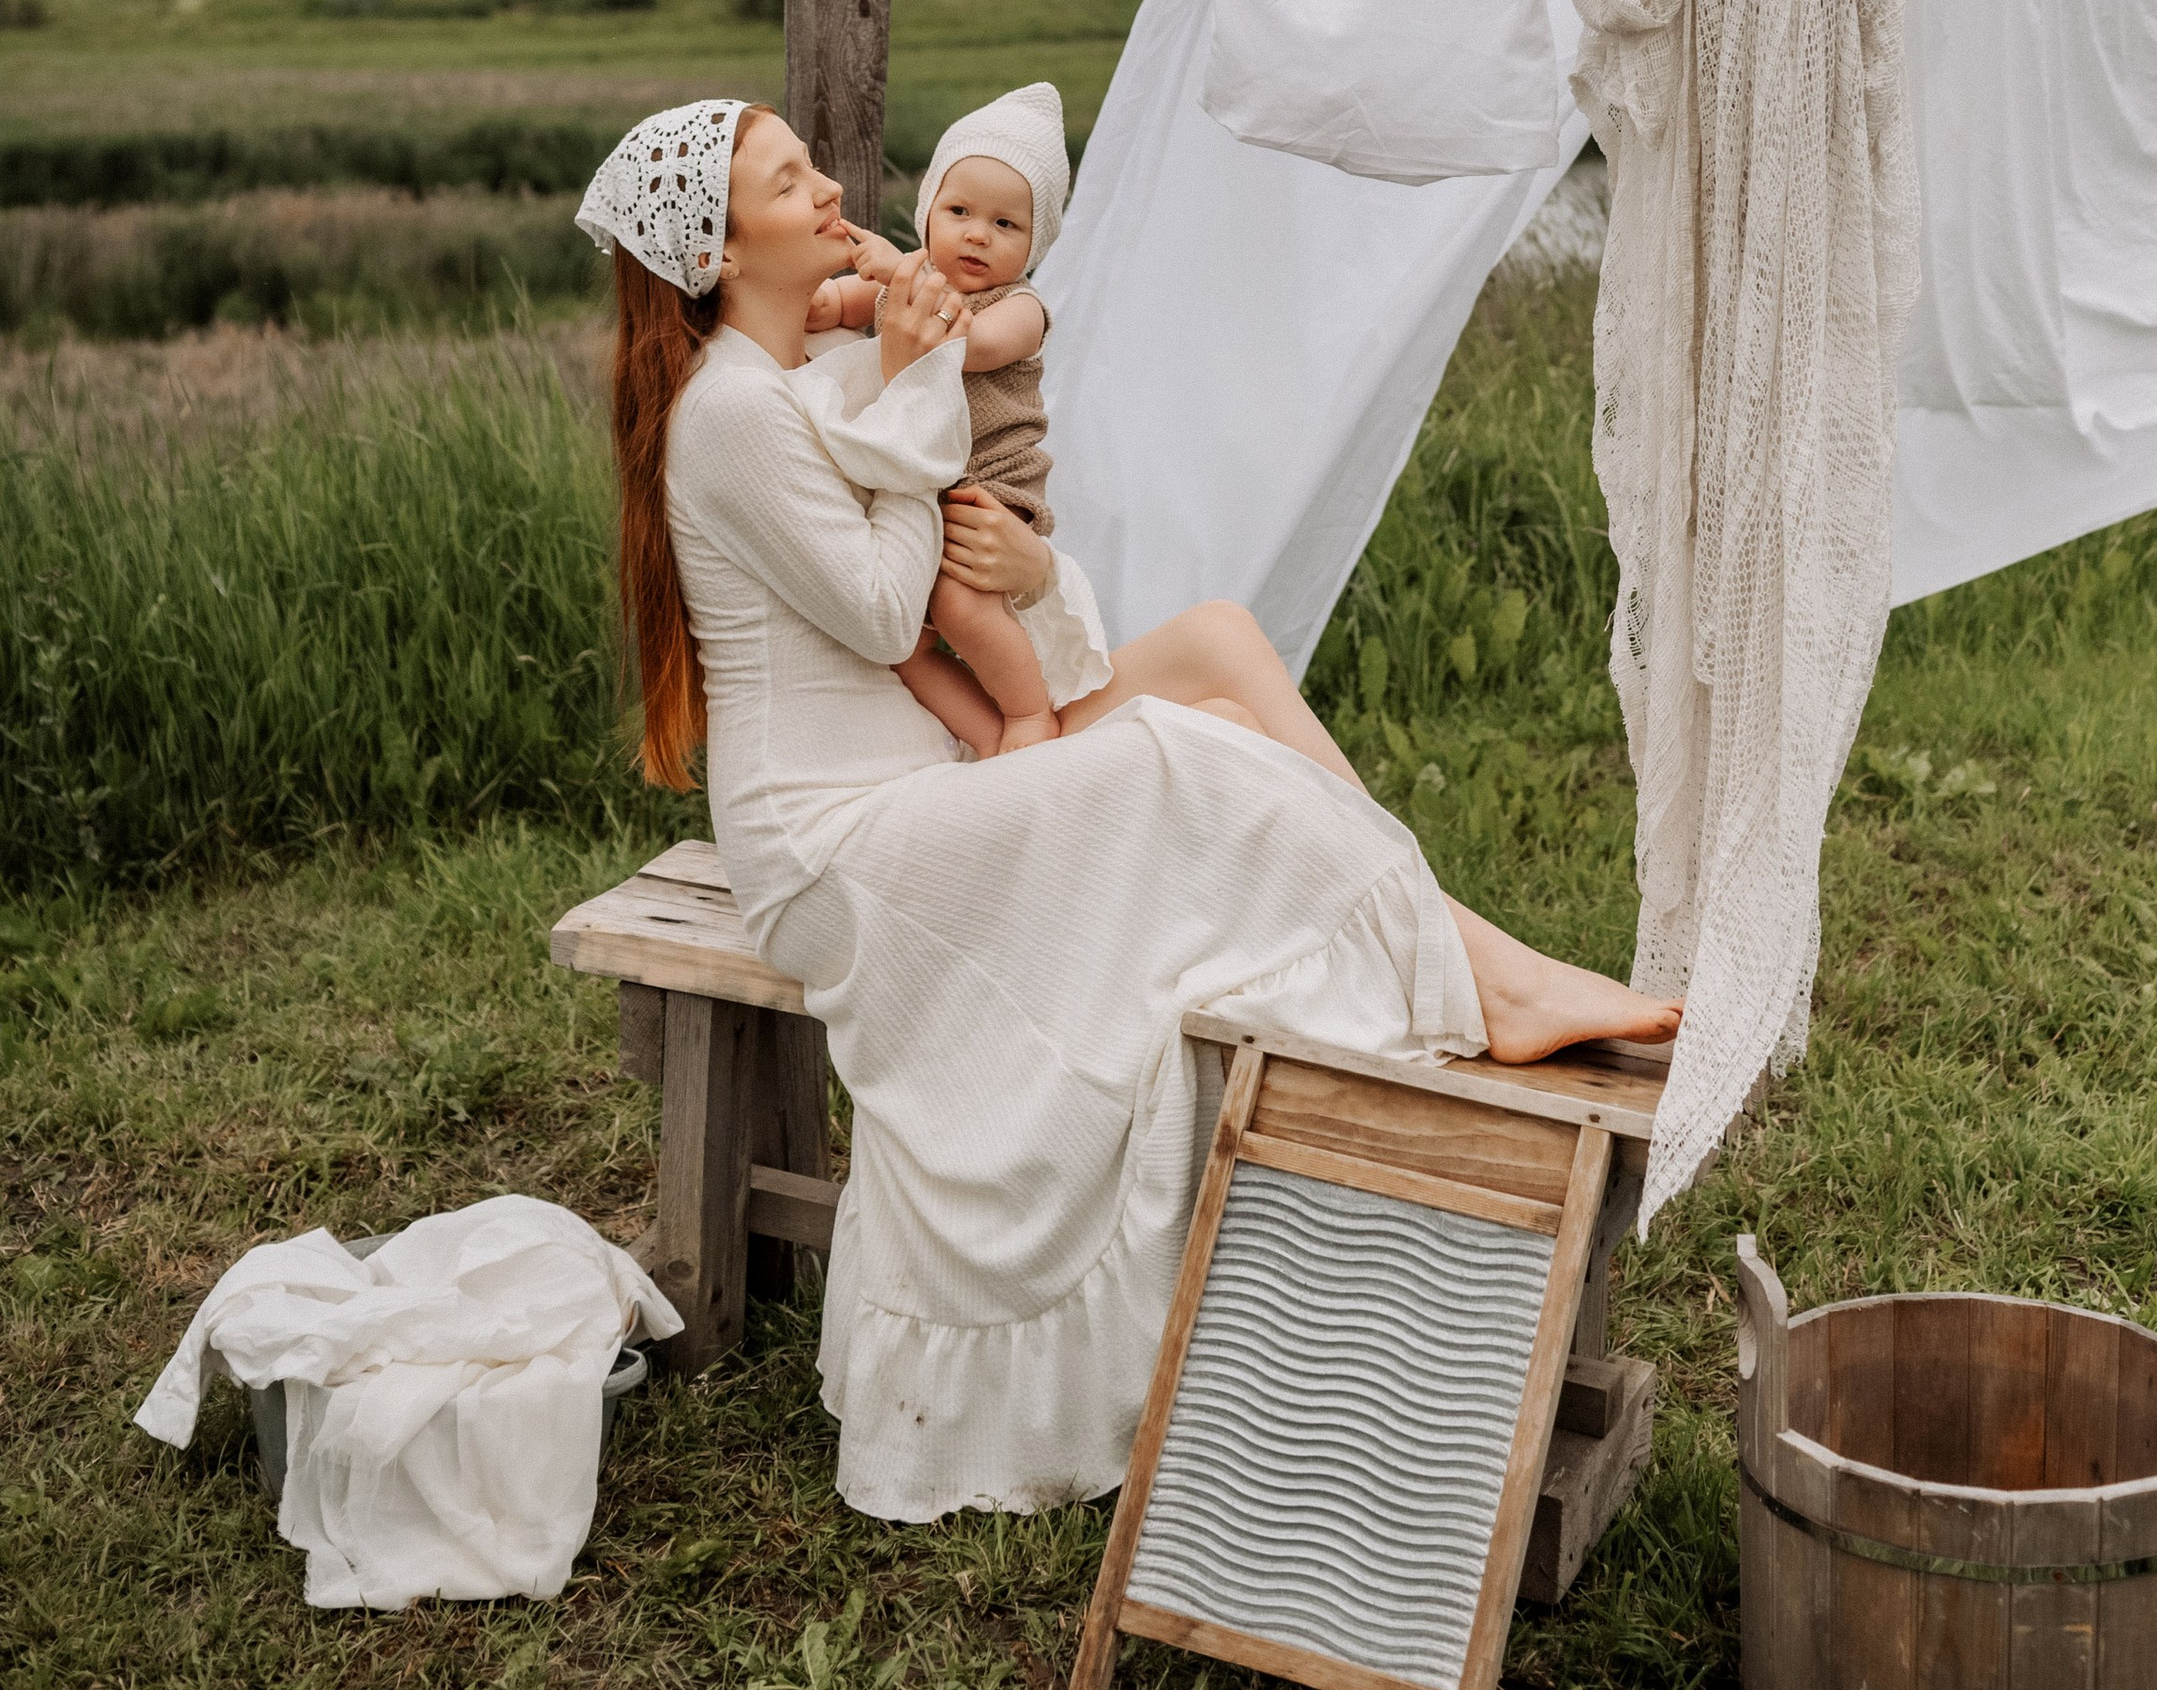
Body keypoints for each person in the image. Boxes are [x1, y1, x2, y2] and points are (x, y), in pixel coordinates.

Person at [577, 95, 1678, 1523]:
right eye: (792, 181)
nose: (834, 185)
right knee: (1187, 750)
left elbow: (963, 537)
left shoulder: (804, 352)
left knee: (1215, 646)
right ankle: (1482, 978)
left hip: (930, 769)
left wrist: (1026, 569)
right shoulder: (729, 410)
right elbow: (876, 595)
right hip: (841, 849)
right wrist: (919, 390)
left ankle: (1451, 947)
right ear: (724, 252)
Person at [808, 83, 1081, 758]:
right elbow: (843, 303)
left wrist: (898, 273)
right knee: (906, 640)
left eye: (1006, 225)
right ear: (929, 210)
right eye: (959, 210)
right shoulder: (906, 281)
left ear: (1034, 243)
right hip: (925, 493)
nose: (978, 234)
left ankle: (1027, 716)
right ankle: (985, 737)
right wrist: (815, 303)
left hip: (992, 486)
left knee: (961, 607)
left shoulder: (1019, 308)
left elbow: (969, 345)